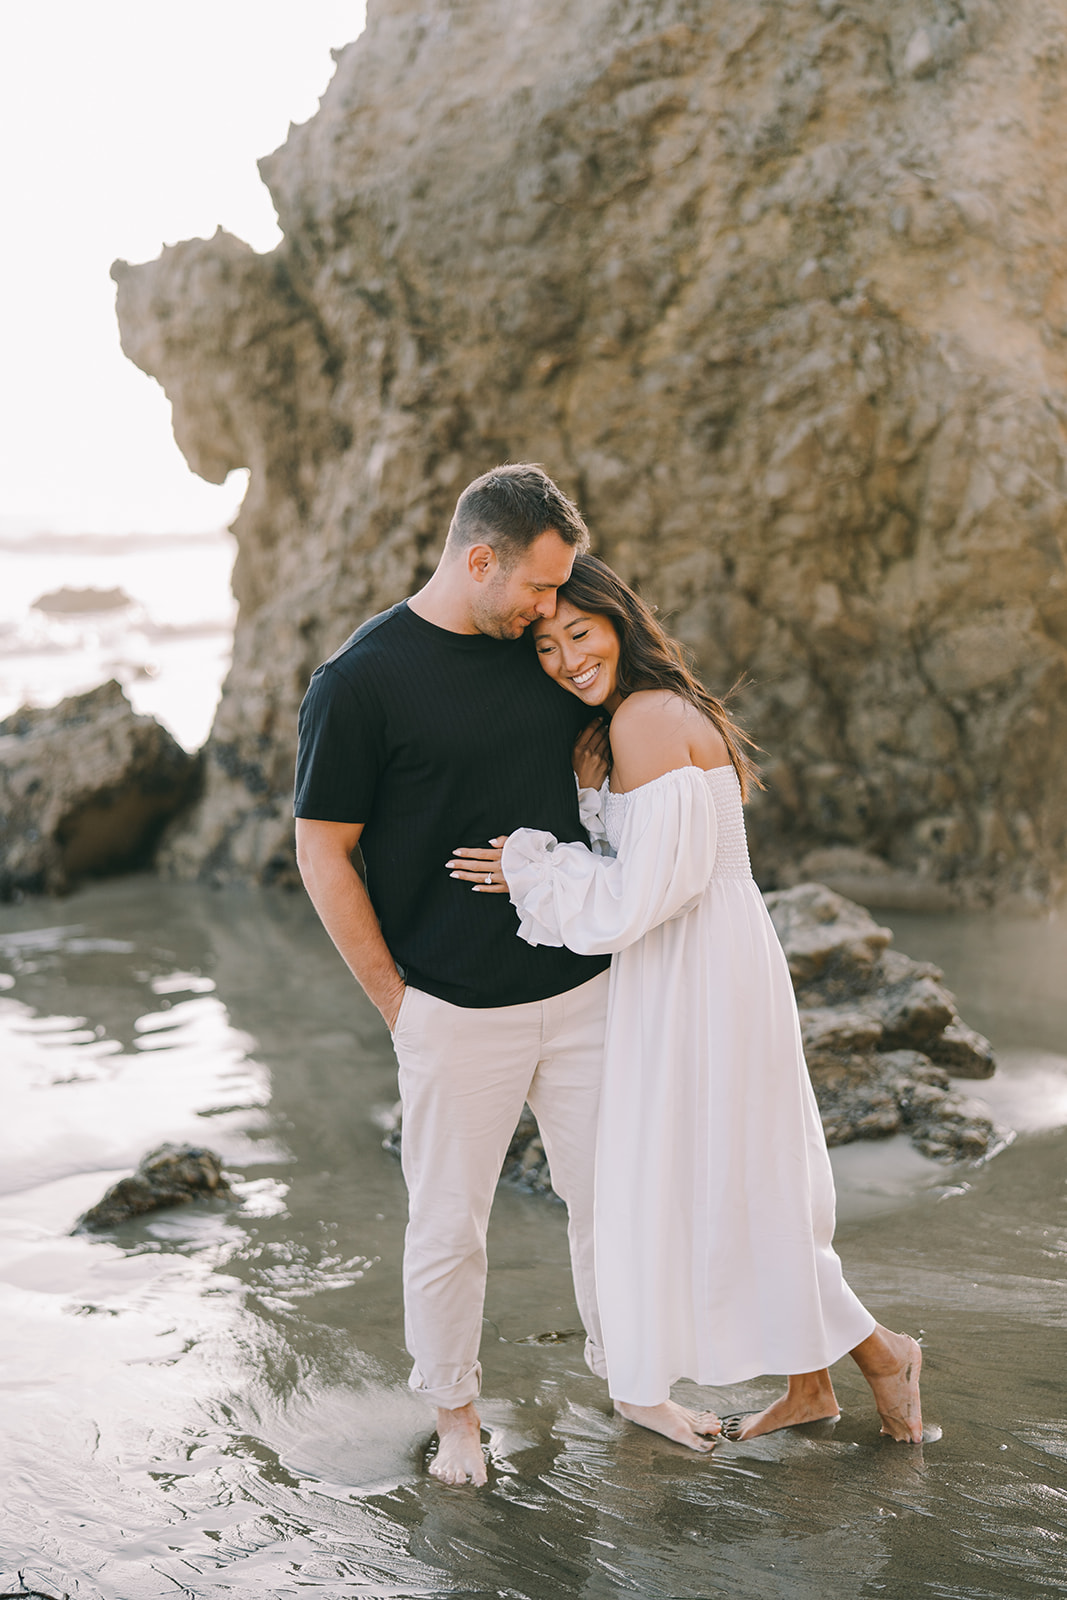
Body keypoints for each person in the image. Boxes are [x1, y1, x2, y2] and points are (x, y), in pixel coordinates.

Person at [293, 466, 720, 1487]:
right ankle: (454, 1417)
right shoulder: (358, 682)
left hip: (582, 994)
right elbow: (322, 851)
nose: (551, 611)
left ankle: (633, 1383)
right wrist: (397, 1004)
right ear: (478, 559)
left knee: (608, 1202)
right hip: (449, 1008)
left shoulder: (544, 655)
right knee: (448, 1226)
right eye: (535, 588)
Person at [447, 554, 925, 1450]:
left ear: (619, 622)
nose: (564, 659)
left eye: (579, 634)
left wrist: (529, 865)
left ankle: (884, 1354)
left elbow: (642, 897)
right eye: (544, 646)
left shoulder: (649, 718)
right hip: (684, 968)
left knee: (739, 1181)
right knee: (742, 1181)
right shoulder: (621, 725)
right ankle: (810, 1387)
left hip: (700, 971)